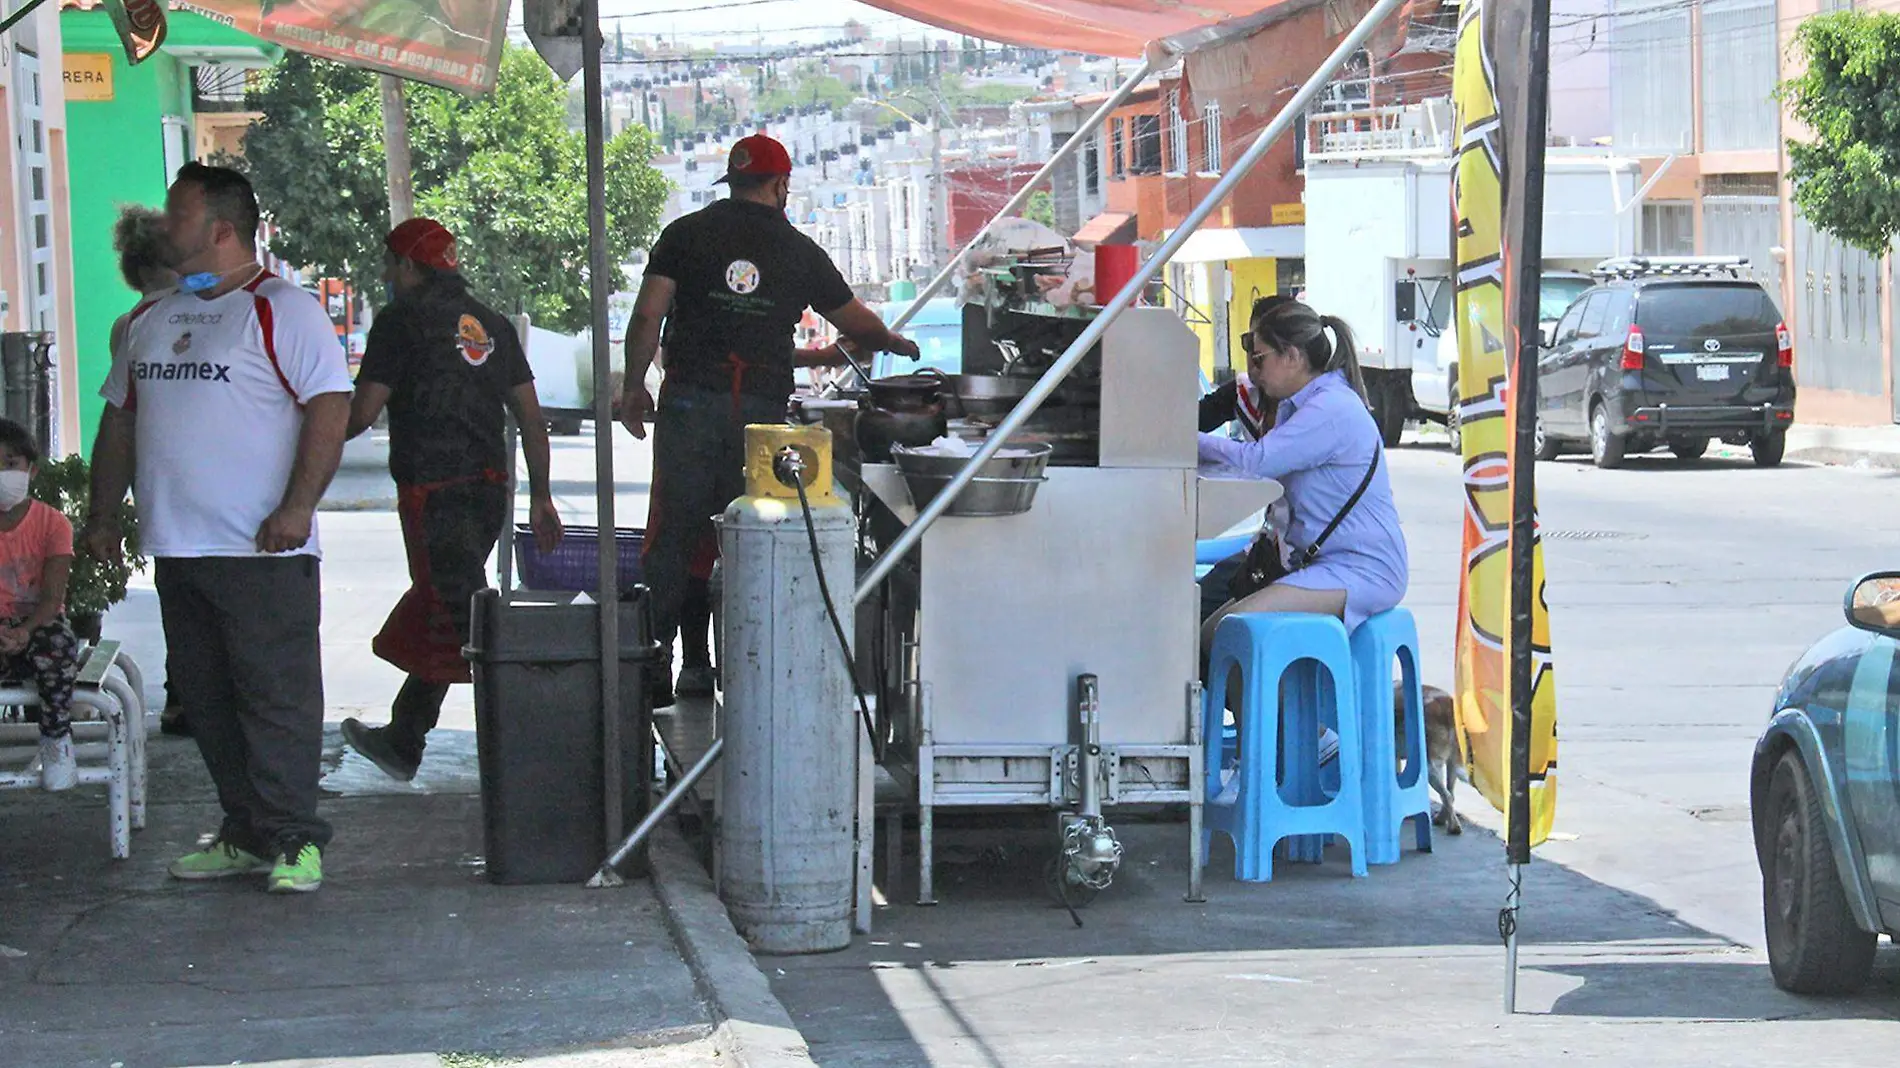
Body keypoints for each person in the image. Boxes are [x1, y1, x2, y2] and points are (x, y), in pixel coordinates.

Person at [85, 163, 354, 894]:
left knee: (276, 698)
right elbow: (120, 418)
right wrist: (102, 515)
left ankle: (296, 838)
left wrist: (298, 506)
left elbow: (330, 407)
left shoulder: (282, 309)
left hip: (262, 549)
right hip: (177, 546)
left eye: (178, 215)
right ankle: (245, 831)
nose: (164, 227)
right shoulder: (152, 317)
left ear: (221, 230)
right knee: (207, 702)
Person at [620, 133, 919, 705]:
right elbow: (859, 323)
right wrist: (894, 343)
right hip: (757, 418)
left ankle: (653, 662)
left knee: (674, 533)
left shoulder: (684, 235)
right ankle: (747, 670)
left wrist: (634, 389)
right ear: (781, 185)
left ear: (732, 182)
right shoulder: (799, 251)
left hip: (687, 405)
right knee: (750, 538)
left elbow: (647, 317)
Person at [338, 218, 563, 781]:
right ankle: (404, 737)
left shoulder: (399, 322)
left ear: (409, 267)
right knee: (452, 609)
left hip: (431, 494)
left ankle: (539, 734)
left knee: (463, 617)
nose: (387, 276)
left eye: (391, 265)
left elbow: (361, 414)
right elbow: (532, 421)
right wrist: (541, 498)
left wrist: (300, 429)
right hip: (488, 492)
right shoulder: (490, 325)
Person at [1198, 298, 1409, 646]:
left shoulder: (1329, 408)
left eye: (1261, 357)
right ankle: (1274, 700)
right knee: (1212, 629)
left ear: (1293, 357)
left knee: (1225, 632)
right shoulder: (1307, 403)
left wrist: (1185, 439)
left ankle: (1273, 703)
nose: (1254, 370)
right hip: (1324, 564)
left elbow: (1257, 461)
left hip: (1361, 569)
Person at [108, 205, 193, 739]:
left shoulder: (129, 324)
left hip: (159, 479)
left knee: (180, 594)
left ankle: (183, 693)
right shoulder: (194, 310)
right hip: (200, 474)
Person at [0, 419, 81, 790]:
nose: (2, 472)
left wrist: (23, 631)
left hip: (37, 625)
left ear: (30, 469)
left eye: (10, 462)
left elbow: (52, 599)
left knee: (59, 644)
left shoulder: (53, 524)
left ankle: (56, 739)